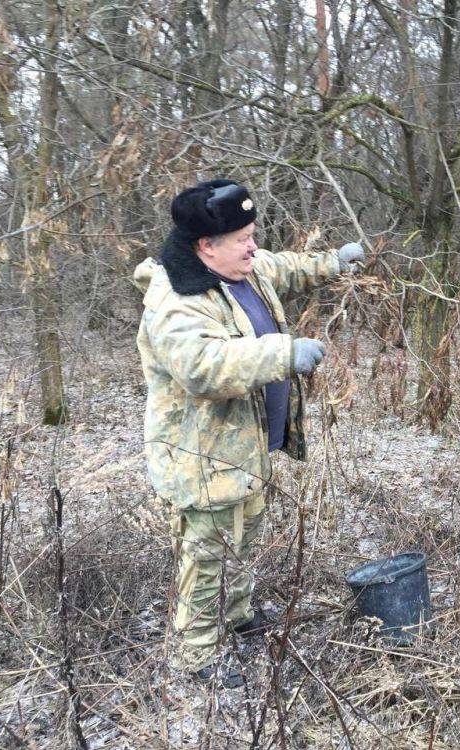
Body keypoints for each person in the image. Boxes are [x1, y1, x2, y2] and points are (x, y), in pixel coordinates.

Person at [132, 179, 365, 687]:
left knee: (242, 538)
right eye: (242, 238)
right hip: (203, 456)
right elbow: (202, 366)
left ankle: (234, 619)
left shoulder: (241, 270)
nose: (253, 246)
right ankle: (196, 657)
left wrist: (335, 261)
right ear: (205, 246)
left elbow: (282, 265)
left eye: (252, 234)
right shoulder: (176, 299)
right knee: (208, 555)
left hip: (246, 448)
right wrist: (283, 353)